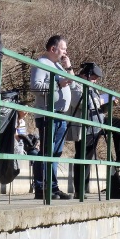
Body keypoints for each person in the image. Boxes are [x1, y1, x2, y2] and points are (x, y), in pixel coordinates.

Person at [30, 35, 75, 200]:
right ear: (53, 49)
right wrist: (57, 84)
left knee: (55, 153)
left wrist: (68, 66)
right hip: (47, 114)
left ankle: (53, 187)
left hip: (61, 115)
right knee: (47, 151)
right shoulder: (42, 63)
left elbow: (74, 84)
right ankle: (42, 187)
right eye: (63, 48)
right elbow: (35, 87)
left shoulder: (59, 66)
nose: (65, 51)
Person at [67, 62, 106, 199]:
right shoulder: (77, 84)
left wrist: (107, 104)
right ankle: (80, 189)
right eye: (94, 77)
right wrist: (98, 101)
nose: (95, 81)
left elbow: (96, 106)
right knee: (83, 157)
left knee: (88, 158)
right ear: (85, 75)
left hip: (97, 125)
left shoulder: (92, 87)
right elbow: (82, 103)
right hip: (85, 127)